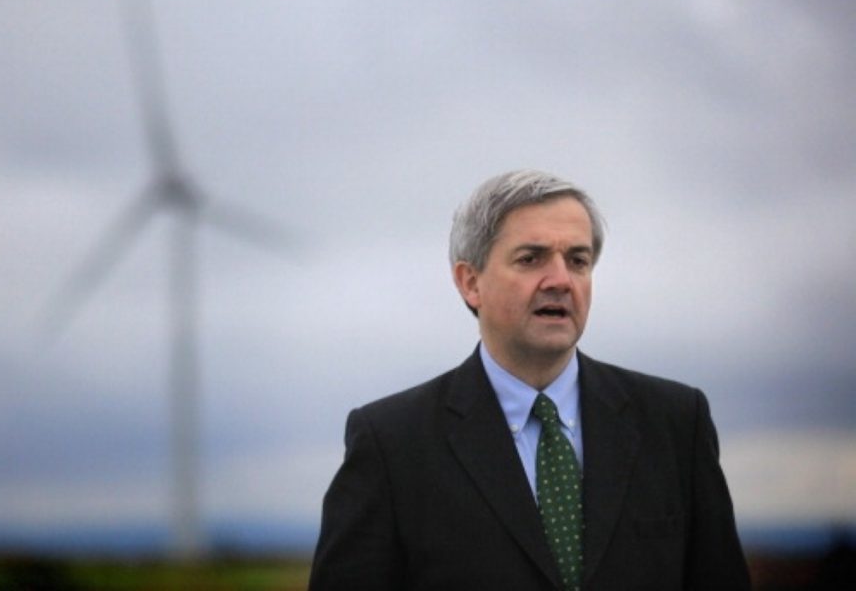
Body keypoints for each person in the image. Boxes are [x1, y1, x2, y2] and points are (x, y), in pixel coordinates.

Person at [309, 170, 750, 590]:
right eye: (531, 258)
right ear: (470, 282)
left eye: (578, 260)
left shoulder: (675, 421)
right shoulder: (392, 442)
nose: (560, 280)